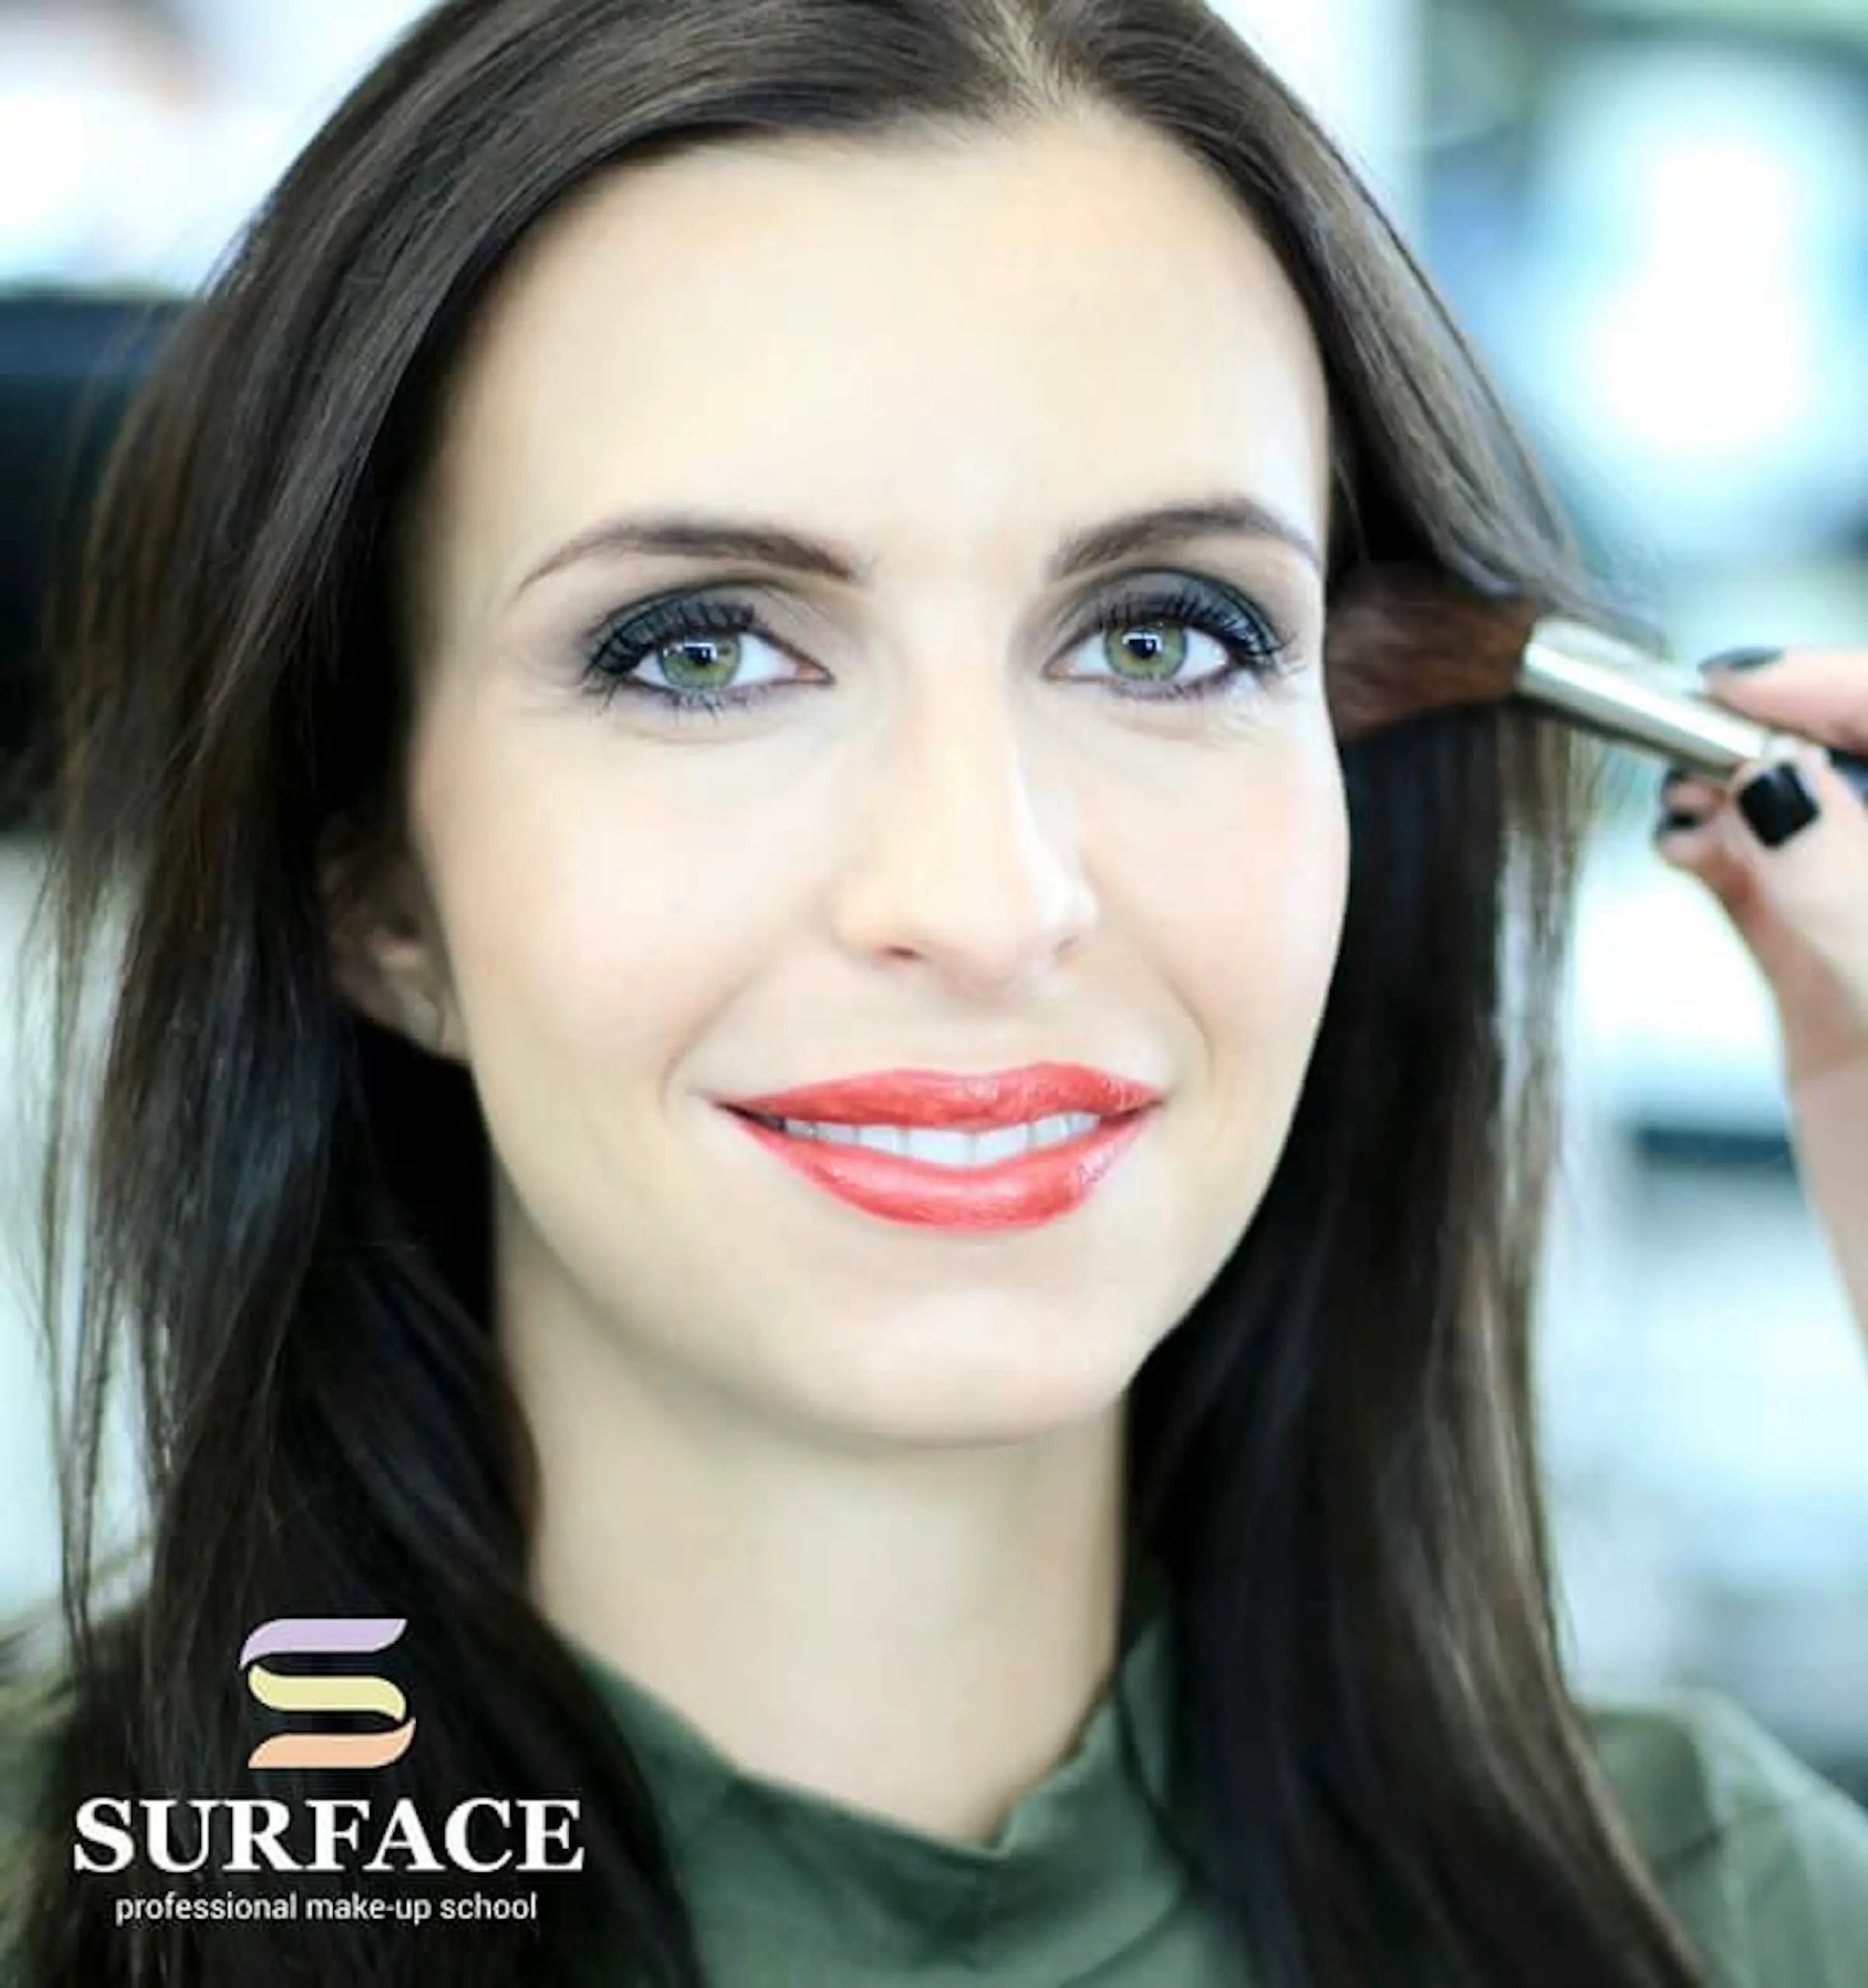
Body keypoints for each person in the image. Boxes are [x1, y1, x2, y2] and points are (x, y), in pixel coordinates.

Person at [2, 1, 1866, 1983]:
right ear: (373, 884)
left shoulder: (1720, 1913)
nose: (988, 899)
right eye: (701, 652)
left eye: (1163, 638)